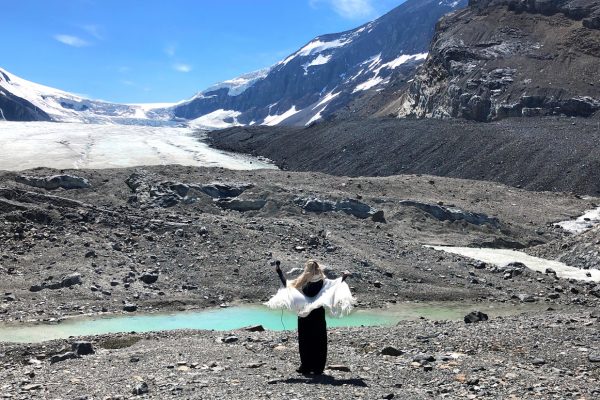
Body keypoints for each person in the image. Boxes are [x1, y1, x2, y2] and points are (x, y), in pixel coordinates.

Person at [271, 259, 352, 375]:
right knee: (319, 340)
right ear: (318, 268)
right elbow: (336, 285)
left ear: (307, 269)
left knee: (305, 341)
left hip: (304, 314)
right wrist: (344, 276)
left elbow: (287, 285)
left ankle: (306, 366)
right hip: (317, 314)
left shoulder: (303, 281)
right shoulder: (323, 282)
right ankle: (318, 368)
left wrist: (279, 272)